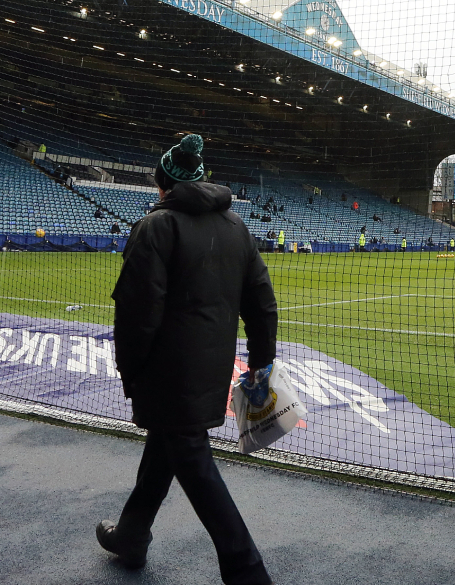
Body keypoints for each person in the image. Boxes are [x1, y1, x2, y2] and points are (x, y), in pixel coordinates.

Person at [97, 134, 277, 585]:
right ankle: (131, 537)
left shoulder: (156, 227)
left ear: (162, 184)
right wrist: (261, 359)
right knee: (168, 445)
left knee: (192, 462)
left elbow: (138, 314)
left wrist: (131, 371)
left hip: (164, 372)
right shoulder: (236, 226)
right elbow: (261, 300)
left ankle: (247, 570)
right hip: (211, 369)